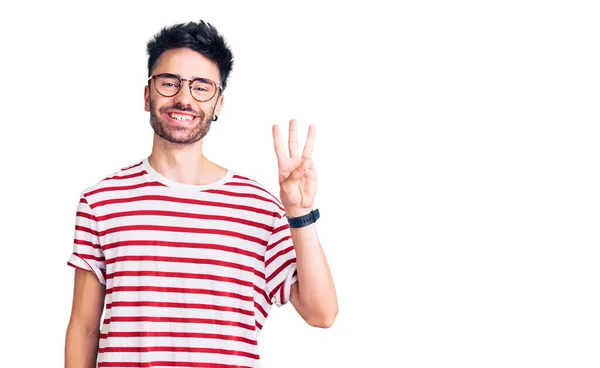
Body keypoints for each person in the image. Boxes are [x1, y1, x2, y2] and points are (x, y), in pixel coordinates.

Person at [64, 20, 338, 368]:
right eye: (169, 83)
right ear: (147, 94)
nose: (183, 98)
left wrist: (300, 213)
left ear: (218, 104)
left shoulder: (258, 208)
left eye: (201, 87)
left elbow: (322, 313)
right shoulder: (102, 202)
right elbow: (84, 328)